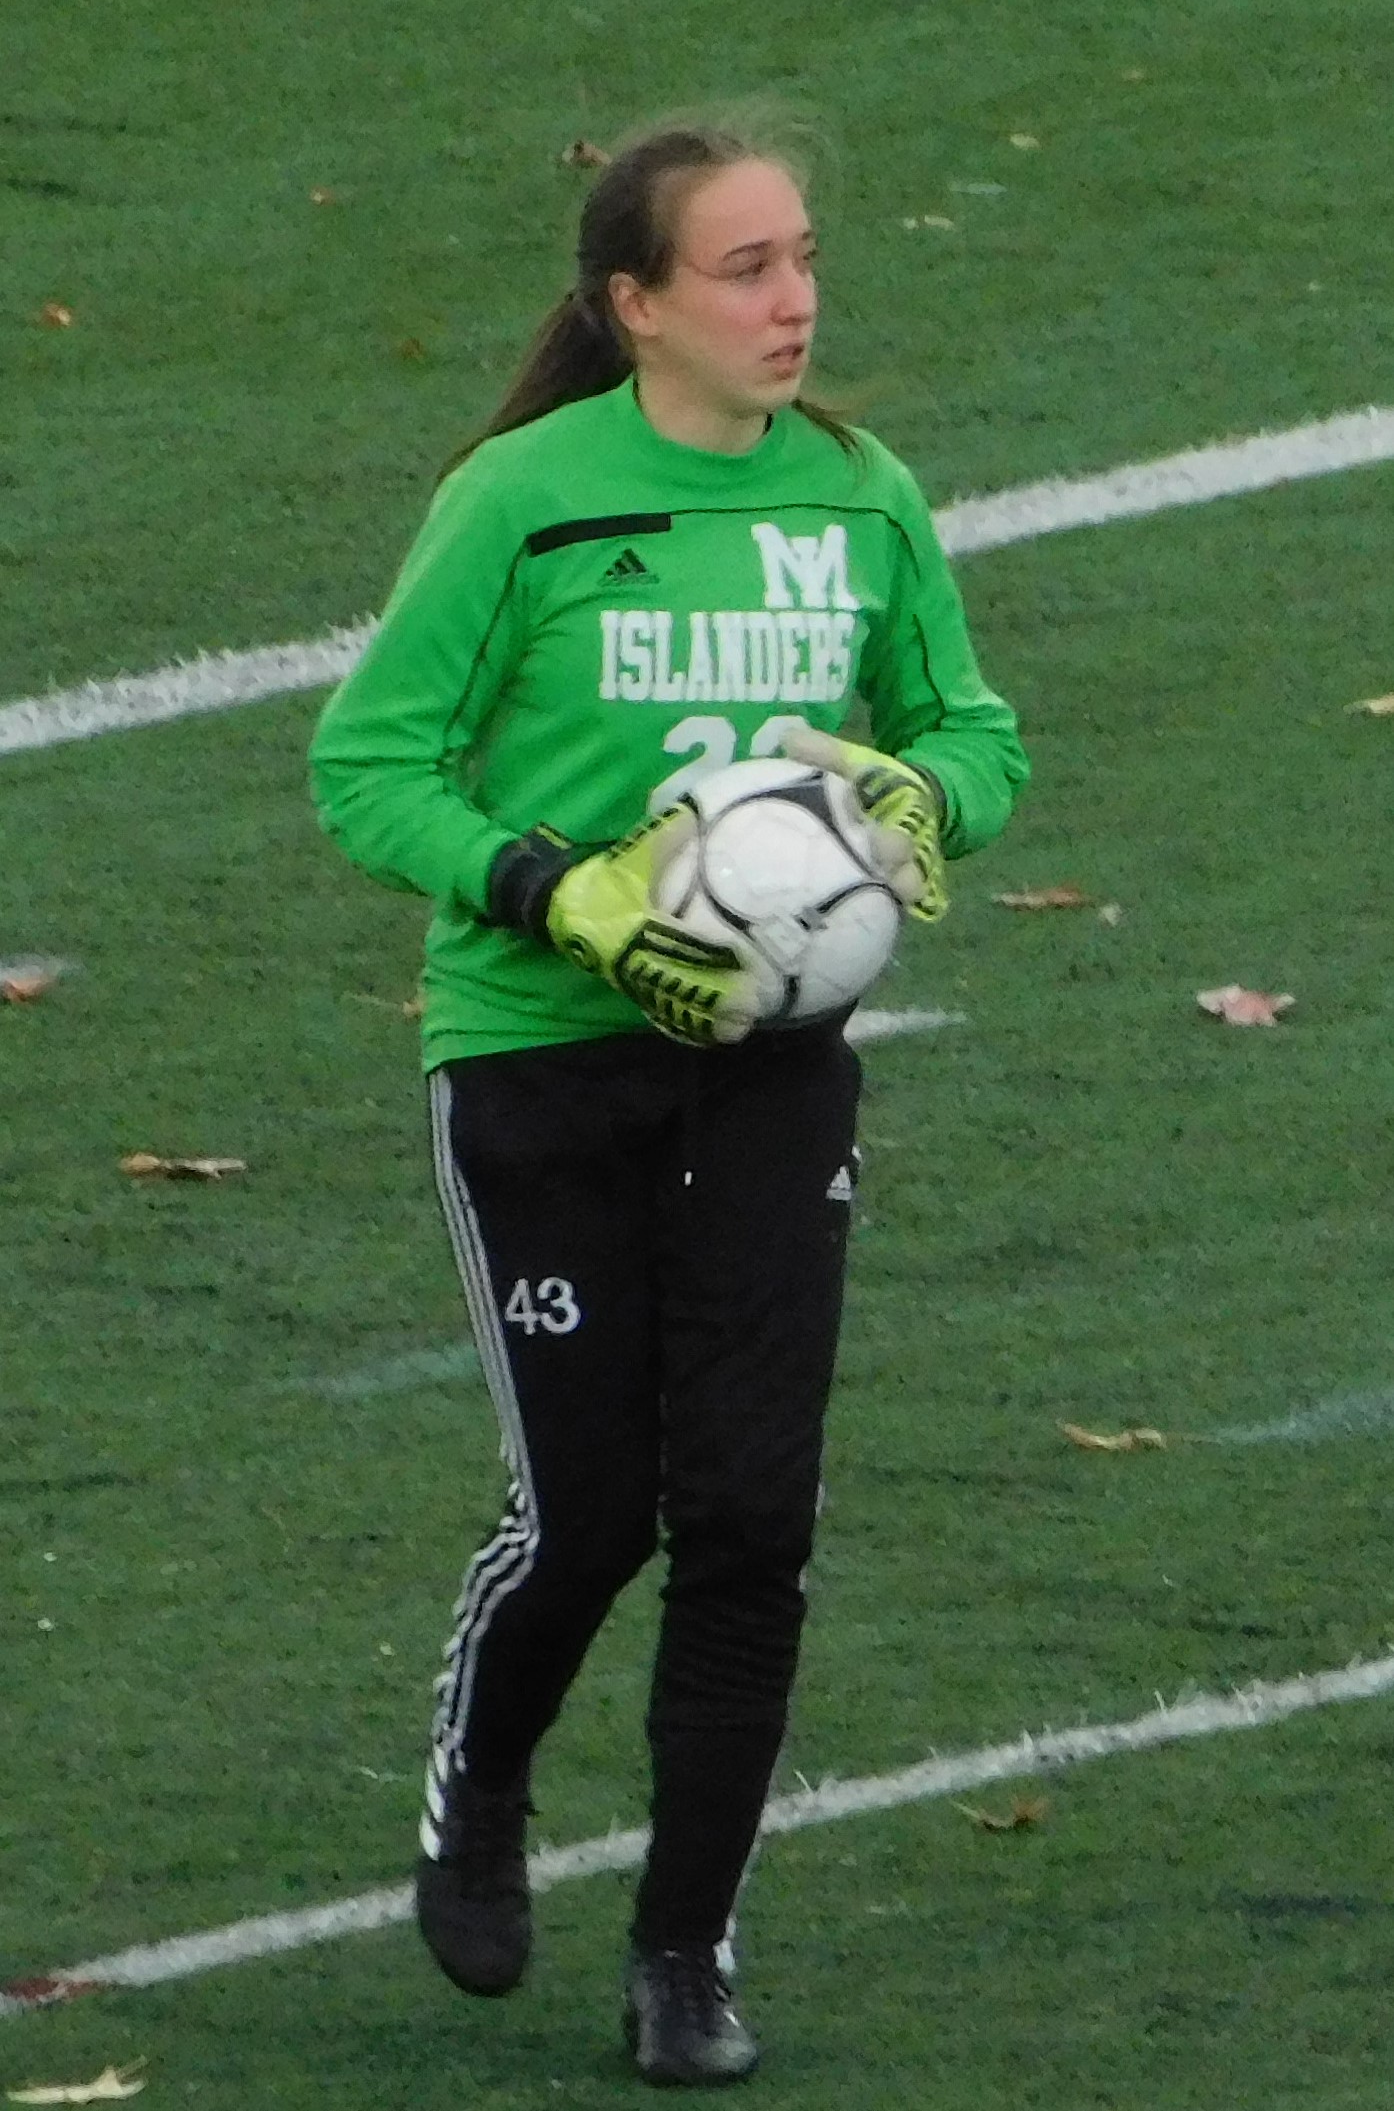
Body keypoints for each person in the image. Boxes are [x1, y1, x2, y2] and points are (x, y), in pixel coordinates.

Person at [309, 117, 1028, 2087]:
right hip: (537, 1062)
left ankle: (684, 1948)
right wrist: (559, 890)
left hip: (770, 1074)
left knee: (749, 1518)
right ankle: (481, 1781)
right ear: (634, 305)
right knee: (589, 1515)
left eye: (803, 257)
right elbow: (368, 765)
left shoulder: (859, 499)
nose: (794, 302)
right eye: (744, 268)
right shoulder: (521, 500)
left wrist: (920, 800)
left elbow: (969, 729)